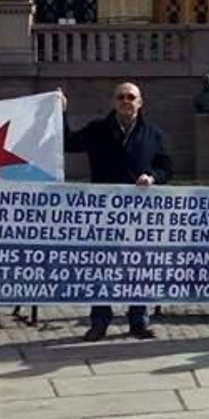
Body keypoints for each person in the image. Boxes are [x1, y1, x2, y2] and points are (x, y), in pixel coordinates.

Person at [64, 81, 173, 340]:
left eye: (131, 97)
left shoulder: (153, 134)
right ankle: (100, 321)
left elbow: (167, 168)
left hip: (139, 215)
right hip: (103, 214)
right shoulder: (97, 130)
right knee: (101, 267)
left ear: (140, 102)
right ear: (113, 102)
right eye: (121, 97)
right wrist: (61, 112)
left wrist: (152, 177)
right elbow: (68, 142)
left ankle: (139, 321)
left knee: (139, 267)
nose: (126, 101)